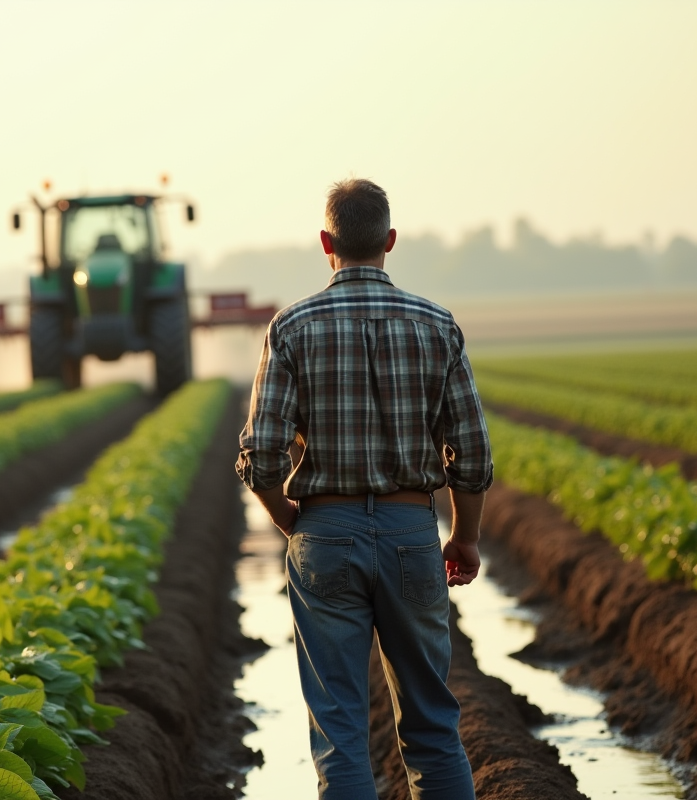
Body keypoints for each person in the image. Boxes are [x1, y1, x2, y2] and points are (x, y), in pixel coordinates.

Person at [236, 178, 492, 800]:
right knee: (432, 727)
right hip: (412, 534)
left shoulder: (291, 326)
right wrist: (464, 537)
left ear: (326, 243)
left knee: (340, 733)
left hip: (323, 535)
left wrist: (290, 521)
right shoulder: (437, 324)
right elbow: (473, 452)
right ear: (390, 240)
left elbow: (260, 455)